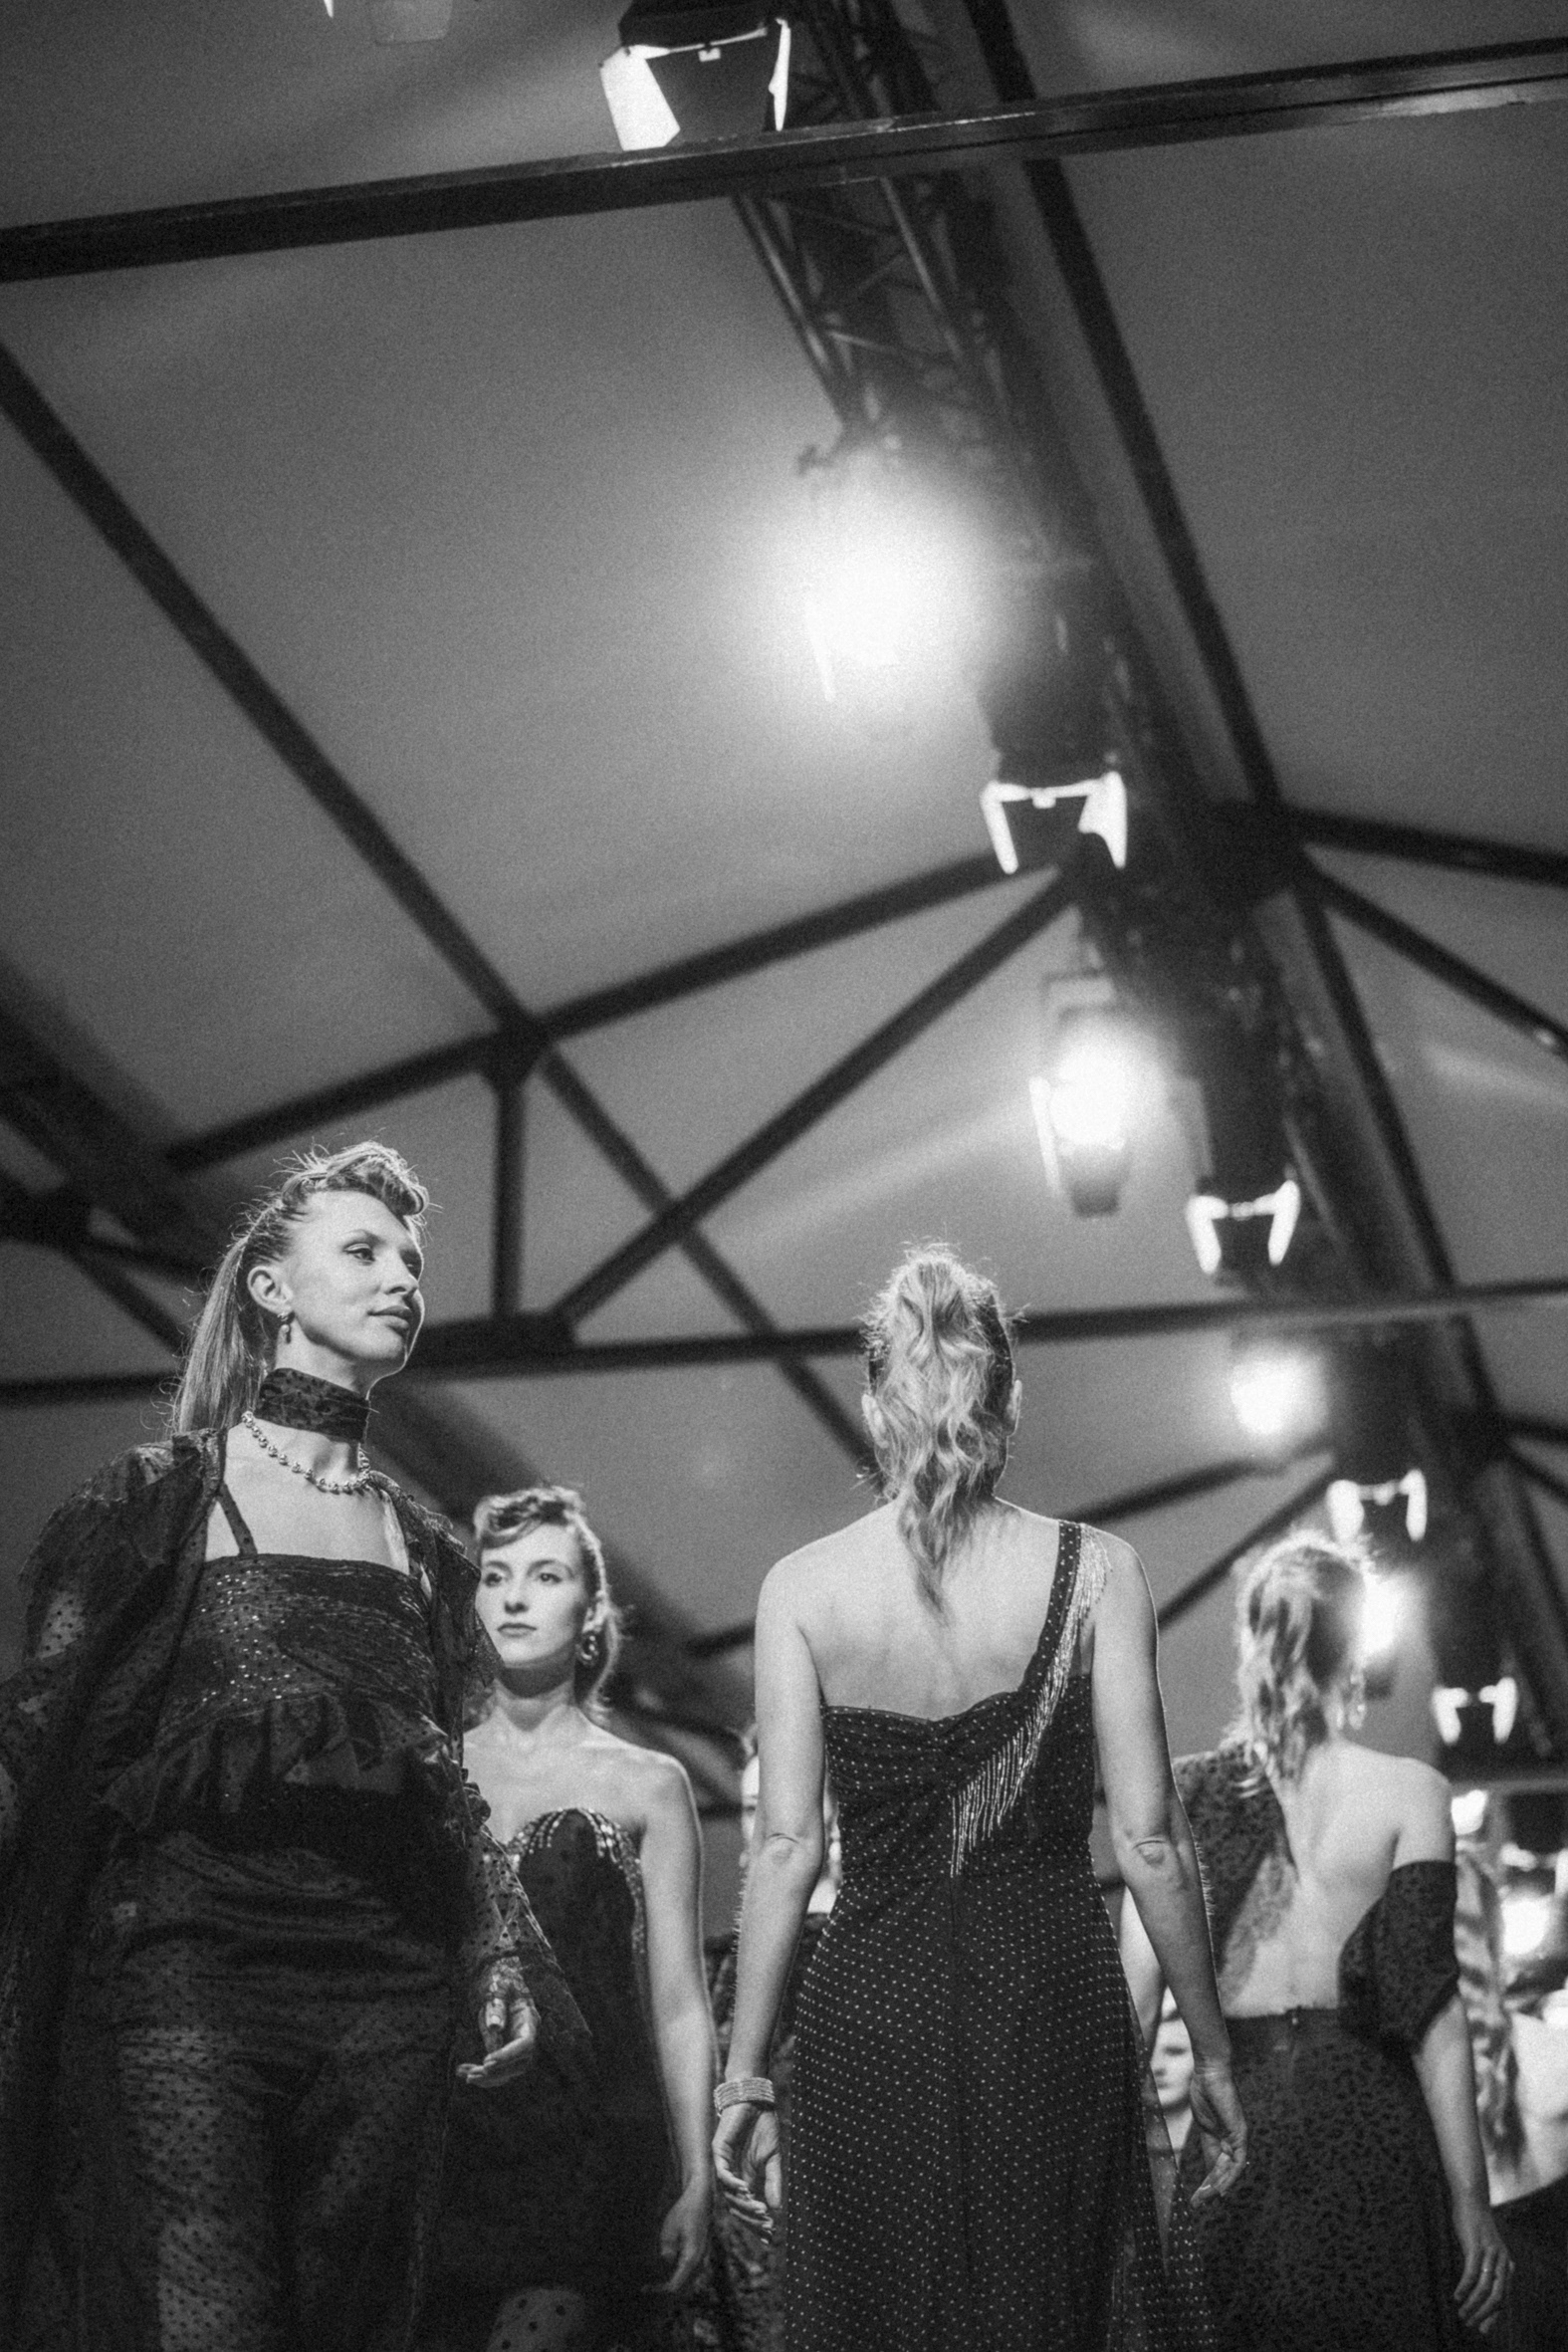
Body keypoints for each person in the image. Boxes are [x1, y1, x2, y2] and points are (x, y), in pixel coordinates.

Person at [0, 1143, 579, 2352]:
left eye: (412, 1261)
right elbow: (40, 1737)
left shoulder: (428, 1550)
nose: (402, 1279)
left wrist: (495, 1950)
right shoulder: (160, 1499)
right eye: (363, 1251)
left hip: (385, 1995)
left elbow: (447, 1788)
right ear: (272, 1287)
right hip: (186, 1972)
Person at [712, 1246, 1244, 2352]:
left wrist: (744, 2077)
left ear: (873, 1406)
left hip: (868, 2008)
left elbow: (786, 1849)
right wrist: (1213, 2051)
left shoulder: (800, 1589)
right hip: (1047, 1993)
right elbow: (1150, 1841)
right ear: (1009, 1399)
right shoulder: (1099, 1571)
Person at [1120, 1531, 1513, 2349]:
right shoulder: (1410, 1793)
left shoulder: (1183, 1796)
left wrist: (1109, 2206)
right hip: (1372, 2122)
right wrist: (1470, 2202)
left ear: (1250, 1640)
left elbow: (1131, 2013)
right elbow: (1433, 2014)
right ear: (1356, 1646)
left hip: (1237, 2128)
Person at [419, 1484, 715, 2352]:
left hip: (591, 2149)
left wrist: (698, 2171)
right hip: (441, 2140)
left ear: (590, 1617)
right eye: (495, 1576)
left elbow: (677, 2000)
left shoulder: (648, 1783)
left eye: (545, 1576)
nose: (514, 1596)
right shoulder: (425, 1761)